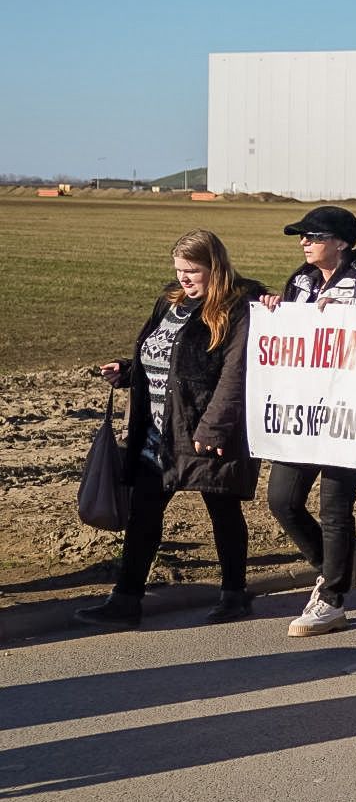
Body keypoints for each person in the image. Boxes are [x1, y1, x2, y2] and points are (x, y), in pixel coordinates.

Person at [76, 231, 266, 628]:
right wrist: (127, 372)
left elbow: (236, 374)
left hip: (207, 428)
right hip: (157, 431)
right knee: (144, 512)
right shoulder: (170, 301)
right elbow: (160, 353)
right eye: (179, 270)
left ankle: (234, 594)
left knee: (222, 508)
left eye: (192, 271)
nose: (183, 279)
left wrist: (213, 428)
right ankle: (126, 600)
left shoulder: (239, 307)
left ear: (215, 267)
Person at [262, 206, 356, 638]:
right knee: (282, 500)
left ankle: (332, 598)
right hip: (301, 412)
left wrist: (335, 322)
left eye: (313, 236)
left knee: (335, 508)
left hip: (348, 414)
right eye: (301, 237)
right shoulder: (298, 281)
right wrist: (276, 312)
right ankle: (333, 568)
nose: (304, 243)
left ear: (341, 243)